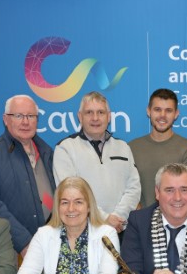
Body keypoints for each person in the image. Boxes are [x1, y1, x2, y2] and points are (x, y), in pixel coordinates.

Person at [0, 95, 55, 256]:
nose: (25, 122)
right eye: (18, 116)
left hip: (50, 246)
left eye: (31, 116)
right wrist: (24, 242)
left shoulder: (47, 152)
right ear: (5, 119)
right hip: (11, 250)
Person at [15, 176, 119, 274]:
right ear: (57, 207)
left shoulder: (107, 234)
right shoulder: (43, 234)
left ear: (89, 207)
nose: (71, 208)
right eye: (64, 202)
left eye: (78, 202)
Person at [53, 91, 140, 233]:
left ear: (109, 116)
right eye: (89, 113)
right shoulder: (65, 148)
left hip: (121, 229)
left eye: (101, 112)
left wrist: (118, 217)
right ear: (80, 117)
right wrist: (104, 219)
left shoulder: (123, 147)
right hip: (83, 231)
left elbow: (134, 188)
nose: (95, 118)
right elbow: (70, 193)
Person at [129, 88, 187, 208]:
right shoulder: (132, 148)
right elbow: (126, 189)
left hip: (176, 222)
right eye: (157, 110)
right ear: (148, 111)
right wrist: (141, 217)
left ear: (176, 114)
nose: (162, 115)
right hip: (139, 222)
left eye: (168, 110)